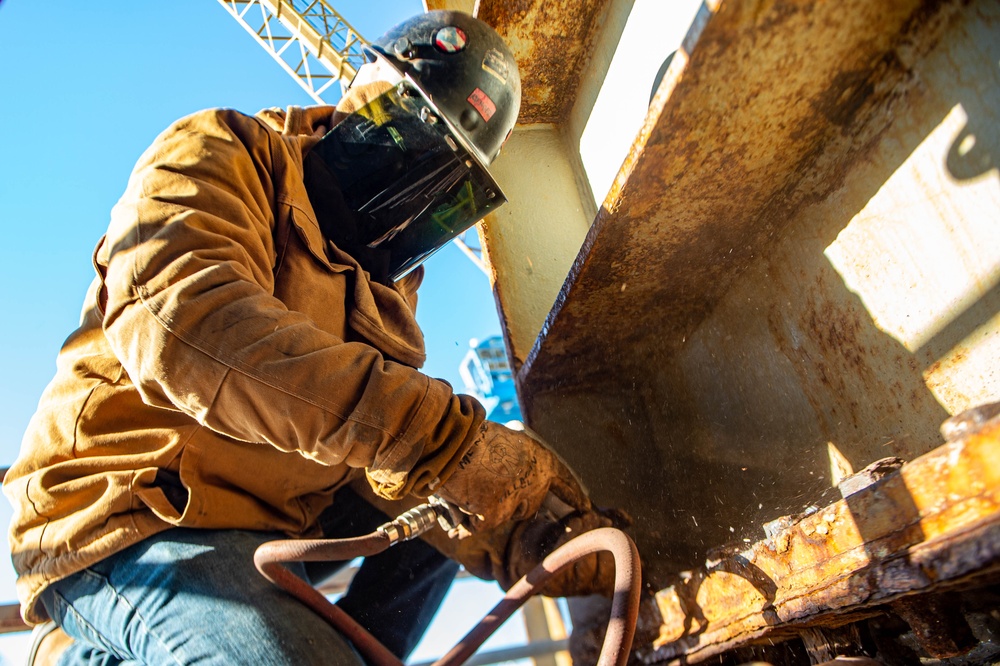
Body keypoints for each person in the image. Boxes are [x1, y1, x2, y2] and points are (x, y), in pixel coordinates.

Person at [5, 11, 616, 665]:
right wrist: (440, 436)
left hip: (265, 524)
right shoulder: (229, 151)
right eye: (409, 128)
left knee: (437, 515)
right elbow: (182, 324)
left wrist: (526, 535)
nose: (410, 172)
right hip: (128, 517)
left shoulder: (386, 295)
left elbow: (383, 456)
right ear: (365, 89)